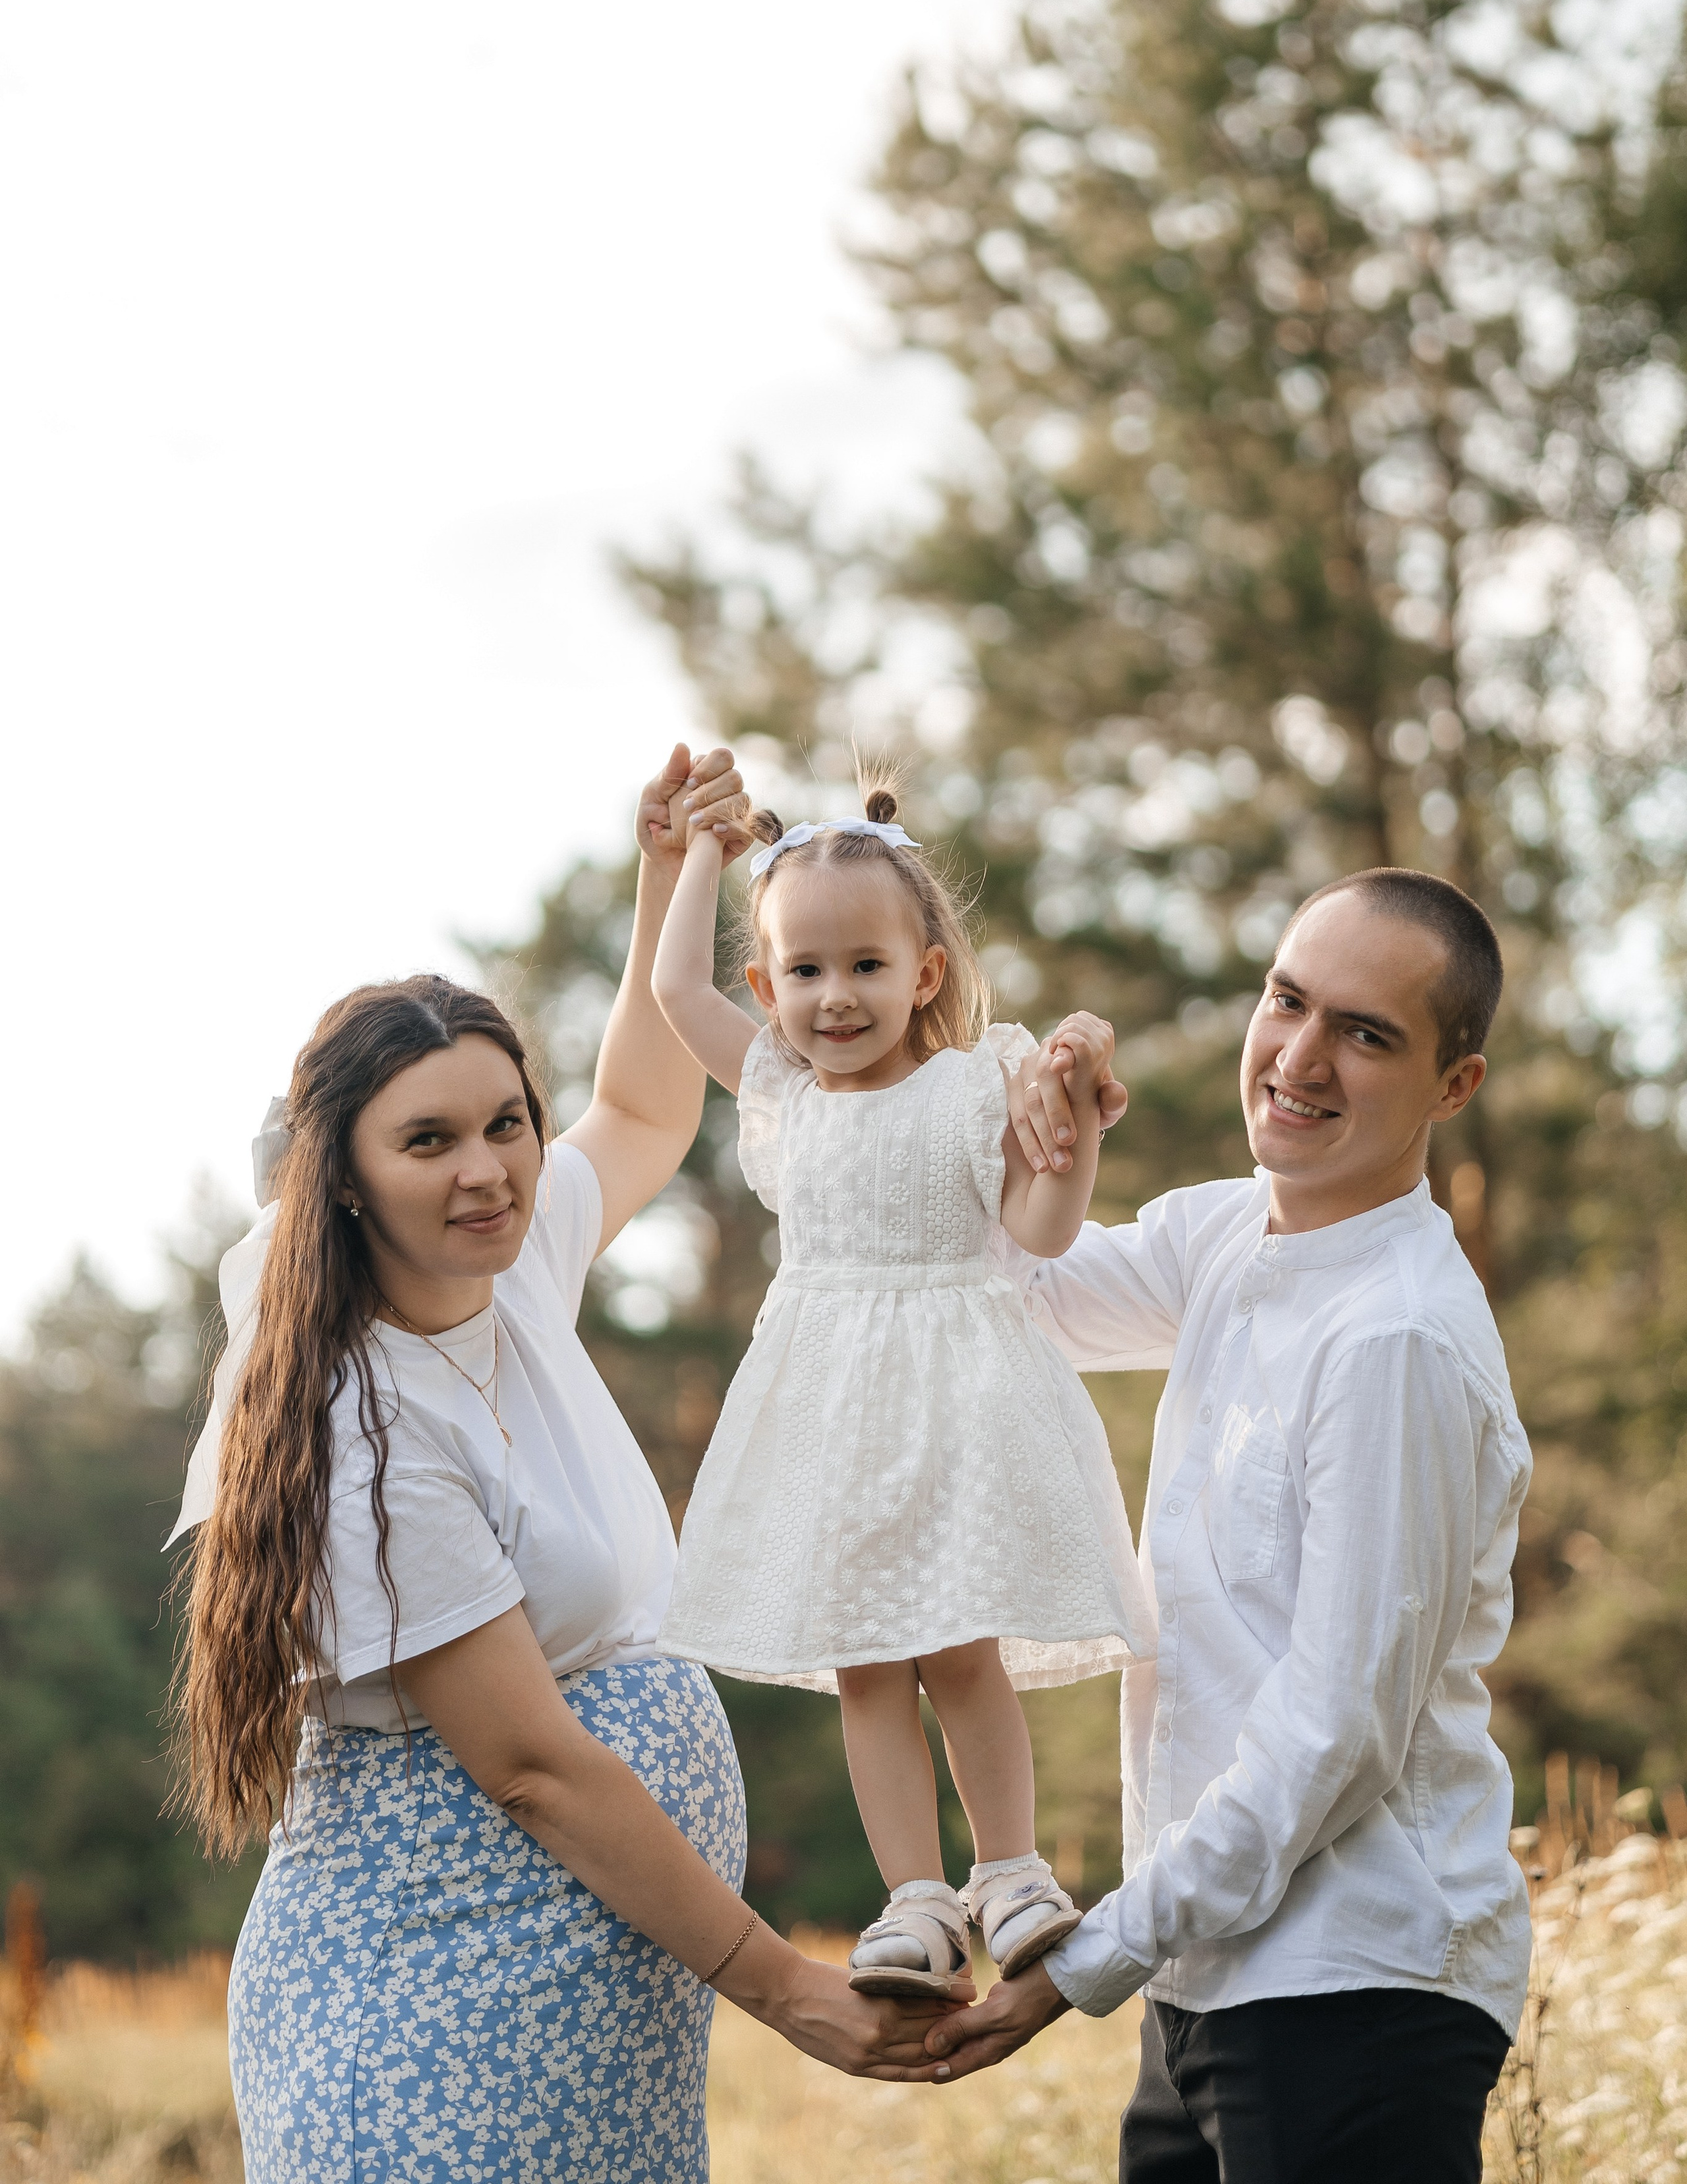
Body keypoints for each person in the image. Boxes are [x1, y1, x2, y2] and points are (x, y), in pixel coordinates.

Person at [168, 745, 947, 2184]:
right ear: (340, 1178)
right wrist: (786, 1987)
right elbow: (531, 1767)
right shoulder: (366, 1429)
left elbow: (648, 1113)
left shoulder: (507, 1274)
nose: (489, 1170)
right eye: (429, 1141)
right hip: (429, 2009)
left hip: (589, 2000)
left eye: (506, 1124)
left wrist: (669, 875)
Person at [923, 868, 1532, 2184]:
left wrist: (1087, 1957)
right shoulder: (1220, 1236)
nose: (1300, 1058)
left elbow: (1332, 1740)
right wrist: (1022, 1096)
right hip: (1206, 1981)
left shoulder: (1397, 1342)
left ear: (1450, 1087)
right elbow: (1002, 1289)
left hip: (1356, 1990)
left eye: (1365, 1034)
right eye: (1286, 1001)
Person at [649, 777, 1155, 2000]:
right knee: (869, 1667)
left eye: (866, 965)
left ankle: (1012, 1870)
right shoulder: (777, 1093)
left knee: (960, 1646)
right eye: (806, 972)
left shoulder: (980, 1082)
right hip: (831, 1420)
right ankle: (916, 1901)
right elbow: (675, 994)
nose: (837, 997)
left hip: (961, 1406)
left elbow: (1038, 1230)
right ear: (768, 991)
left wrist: (1076, 1127)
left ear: (926, 973)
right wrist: (701, 857)